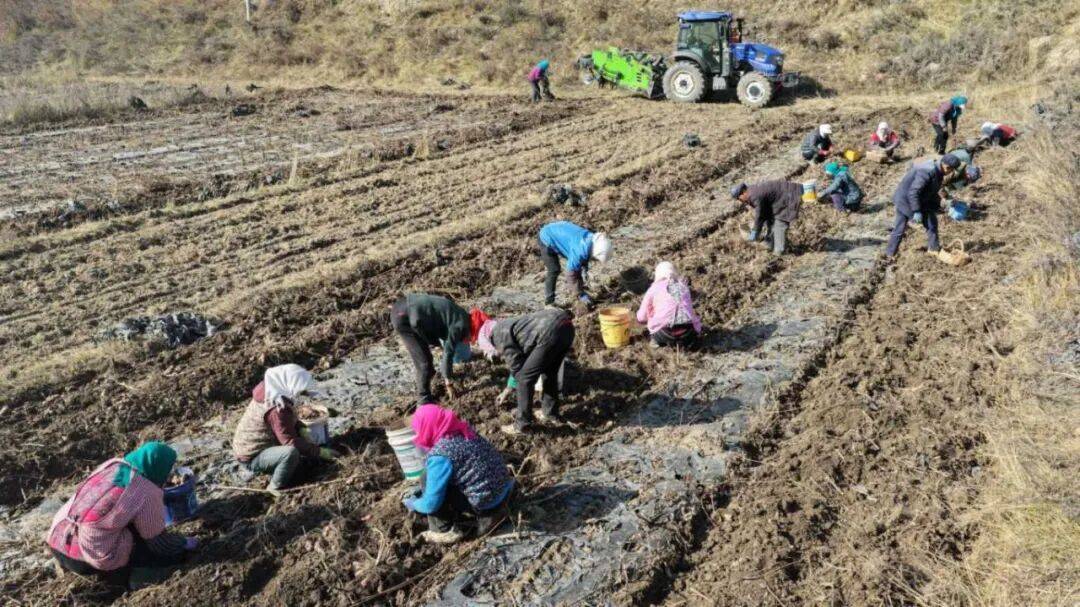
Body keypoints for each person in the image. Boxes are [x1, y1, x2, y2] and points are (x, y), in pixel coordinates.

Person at [46, 442, 198, 590]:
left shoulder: (113, 465)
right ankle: (134, 578)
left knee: (121, 519)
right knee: (155, 552)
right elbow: (158, 541)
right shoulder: (147, 491)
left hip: (57, 538)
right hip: (86, 557)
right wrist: (183, 543)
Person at [401, 404, 513, 544]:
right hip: (503, 488)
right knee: (437, 478)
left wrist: (414, 504)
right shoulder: (463, 430)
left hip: (486, 502)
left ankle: (442, 530)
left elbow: (431, 505)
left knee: (427, 477)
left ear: (426, 428)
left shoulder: (440, 455)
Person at [231, 364, 340, 495]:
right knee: (290, 453)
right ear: (290, 383)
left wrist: (300, 427)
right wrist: (320, 452)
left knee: (297, 454)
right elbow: (289, 442)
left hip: (259, 443)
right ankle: (275, 486)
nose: (300, 394)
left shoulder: (273, 389)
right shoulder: (277, 407)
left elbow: (285, 422)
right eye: (300, 391)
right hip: (251, 456)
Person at [476, 307, 576, 434]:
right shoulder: (509, 324)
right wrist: (508, 388)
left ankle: (522, 424)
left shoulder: (498, 334)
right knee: (549, 373)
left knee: (524, 380)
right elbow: (521, 363)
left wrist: (509, 388)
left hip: (550, 330)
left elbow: (519, 370)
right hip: (566, 327)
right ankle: (550, 413)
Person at [389, 293, 483, 406]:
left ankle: (432, 383)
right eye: (471, 339)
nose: (469, 341)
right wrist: (448, 381)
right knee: (424, 363)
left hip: (406, 308)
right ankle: (424, 401)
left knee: (427, 360)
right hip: (405, 316)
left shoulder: (461, 315)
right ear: (472, 329)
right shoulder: (460, 326)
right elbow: (448, 352)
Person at [886, 153, 961, 258]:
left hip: (906, 198)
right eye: (951, 170)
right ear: (946, 166)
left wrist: (943, 203)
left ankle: (889, 254)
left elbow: (930, 192)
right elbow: (914, 192)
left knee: (900, 227)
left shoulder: (938, 170)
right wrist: (916, 211)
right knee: (931, 223)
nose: (951, 172)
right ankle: (934, 249)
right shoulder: (927, 171)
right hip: (907, 199)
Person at [538, 220, 611, 307]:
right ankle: (549, 302)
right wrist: (580, 294)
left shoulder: (591, 239)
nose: (595, 260)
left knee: (576, 266)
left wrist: (584, 270)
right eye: (595, 259)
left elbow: (583, 259)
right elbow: (570, 275)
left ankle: (579, 292)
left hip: (560, 231)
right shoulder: (579, 251)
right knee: (554, 269)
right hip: (546, 236)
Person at [636, 262, 703, 348]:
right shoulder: (683, 287)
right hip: (688, 334)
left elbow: (641, 318)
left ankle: (656, 342)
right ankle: (690, 342)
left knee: (655, 329)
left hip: (664, 335)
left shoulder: (653, 289)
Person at [731, 180, 802, 256]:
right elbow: (765, 213)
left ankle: (779, 253)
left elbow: (760, 216)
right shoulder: (752, 191)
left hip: (789, 197)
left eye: (739, 199)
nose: (741, 201)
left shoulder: (754, 196)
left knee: (779, 225)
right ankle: (773, 244)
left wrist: (755, 233)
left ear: (742, 193)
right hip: (782, 198)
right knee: (770, 223)